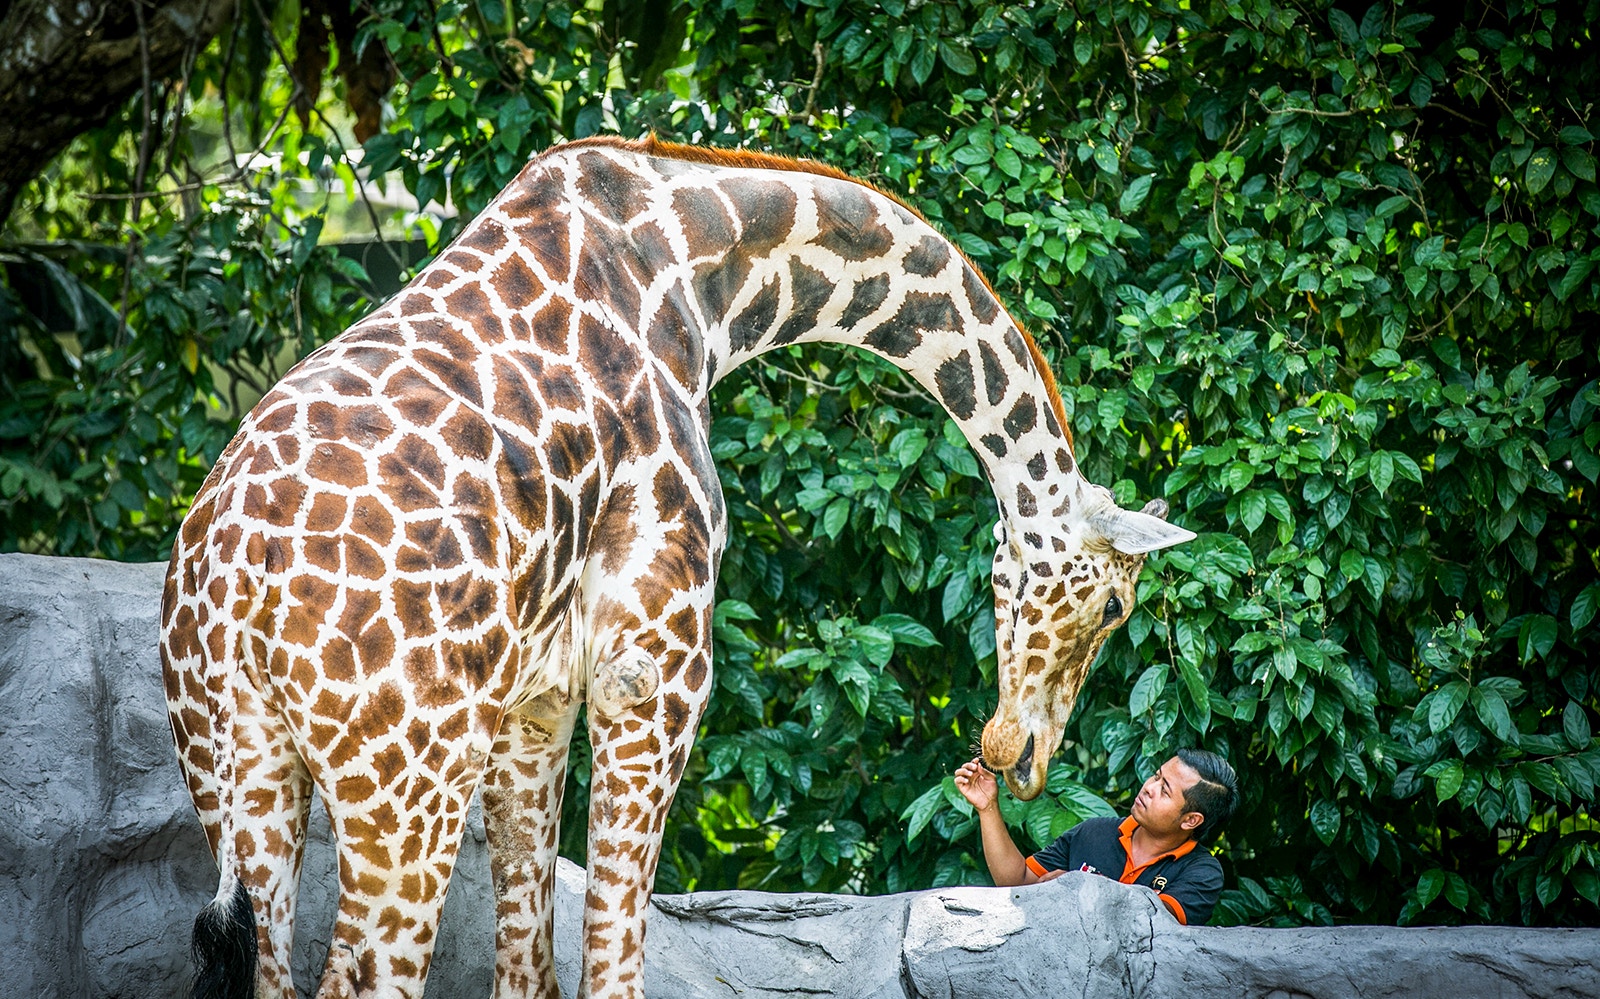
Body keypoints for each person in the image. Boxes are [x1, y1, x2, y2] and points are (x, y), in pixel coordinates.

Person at [953, 748, 1237, 925]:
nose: (1149, 787)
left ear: (1190, 820)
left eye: (1165, 791)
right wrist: (988, 807)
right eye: (1156, 776)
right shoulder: (1094, 832)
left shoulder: (1203, 871)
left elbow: (1152, 922)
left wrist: (1077, 885)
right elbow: (1016, 881)